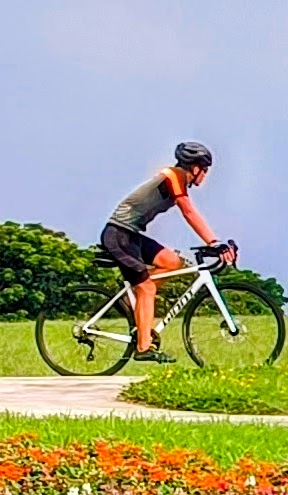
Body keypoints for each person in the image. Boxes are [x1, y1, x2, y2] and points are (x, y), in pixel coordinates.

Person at [100, 141, 234, 361]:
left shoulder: (178, 181)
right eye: (205, 170)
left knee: (172, 262)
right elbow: (188, 212)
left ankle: (132, 299)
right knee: (147, 287)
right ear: (194, 167)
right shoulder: (173, 176)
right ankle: (143, 348)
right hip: (118, 235)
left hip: (131, 235)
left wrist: (214, 243)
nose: (205, 175)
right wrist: (213, 242)